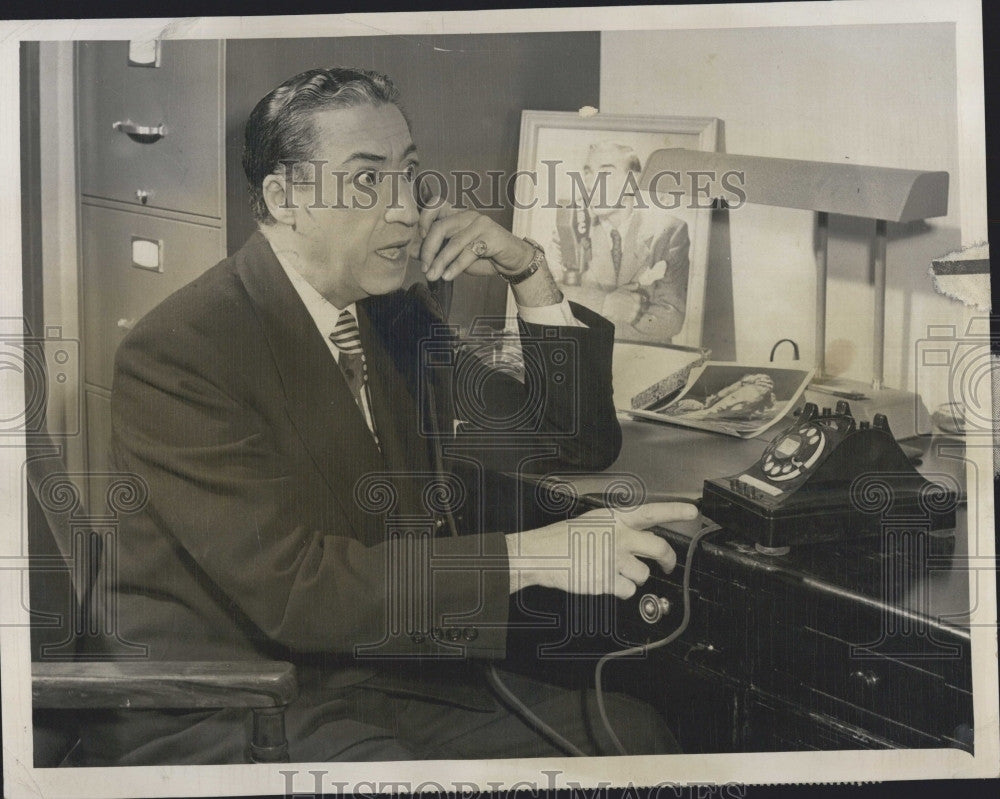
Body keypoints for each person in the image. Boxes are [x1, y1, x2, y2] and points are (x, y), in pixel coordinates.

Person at [82, 67, 698, 764]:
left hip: (370, 672)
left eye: (409, 174)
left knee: (633, 738)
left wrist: (528, 269)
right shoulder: (181, 350)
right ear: (287, 199)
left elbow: (572, 440)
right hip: (230, 702)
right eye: (367, 180)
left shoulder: (391, 314)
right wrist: (531, 554)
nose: (405, 208)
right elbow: (298, 590)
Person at [550, 141, 691, 343]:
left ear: (632, 181)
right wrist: (605, 303)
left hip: (644, 362)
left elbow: (673, 318)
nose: (589, 185)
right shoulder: (569, 229)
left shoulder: (669, 232)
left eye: (605, 174)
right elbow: (546, 295)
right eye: (588, 173)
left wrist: (634, 314)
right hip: (586, 358)